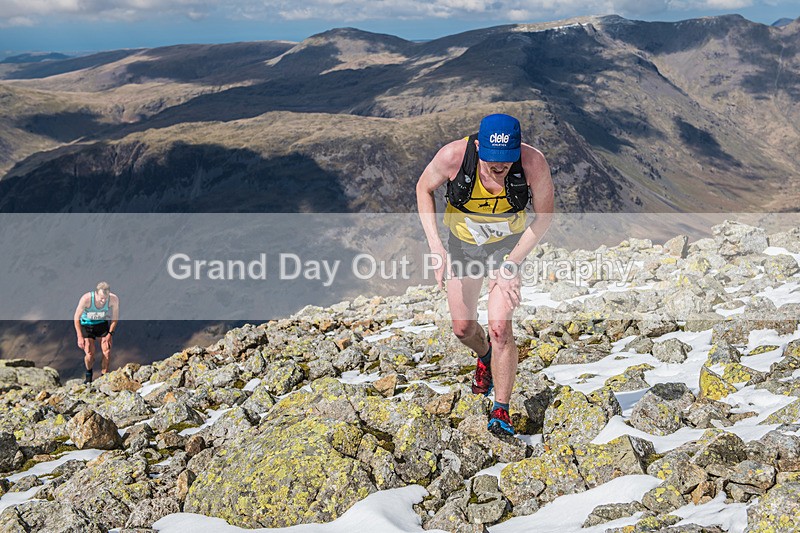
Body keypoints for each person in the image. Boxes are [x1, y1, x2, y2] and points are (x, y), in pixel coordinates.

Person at [416, 114, 554, 436]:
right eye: (492, 161)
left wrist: (512, 264)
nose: (499, 169)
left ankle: (501, 409)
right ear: (478, 147)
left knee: (499, 328)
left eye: (507, 162)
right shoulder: (454, 157)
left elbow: (544, 216)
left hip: (505, 248)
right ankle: (486, 356)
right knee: (463, 329)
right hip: (462, 246)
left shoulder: (533, 163)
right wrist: (436, 247)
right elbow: (424, 188)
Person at [74, 281, 119, 383]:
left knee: (107, 351)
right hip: (87, 324)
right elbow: (76, 317)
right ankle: (89, 375)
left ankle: (104, 378)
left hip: (101, 323)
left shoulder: (113, 299)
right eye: (101, 298)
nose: (103, 301)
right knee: (90, 353)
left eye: (105, 298)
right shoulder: (86, 299)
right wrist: (79, 336)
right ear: (96, 294)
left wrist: (110, 334)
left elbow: (115, 318)